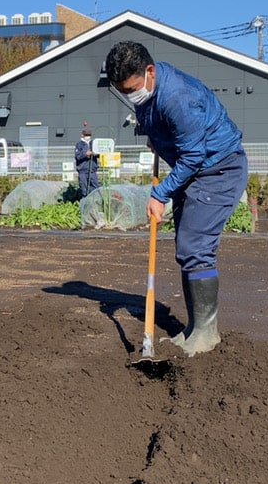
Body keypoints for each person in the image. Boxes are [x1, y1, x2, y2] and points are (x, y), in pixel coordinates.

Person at [103, 40, 248, 356]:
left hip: (217, 170)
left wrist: (160, 194)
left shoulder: (178, 97)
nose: (130, 96)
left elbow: (194, 155)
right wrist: (159, 140)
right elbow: (168, 129)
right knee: (187, 248)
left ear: (149, 72)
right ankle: (194, 328)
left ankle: (206, 334)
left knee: (196, 247)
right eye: (122, 91)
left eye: (131, 89)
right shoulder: (149, 91)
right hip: (196, 171)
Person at [74, 127, 100, 197]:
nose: (87, 136)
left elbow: (100, 154)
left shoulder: (93, 143)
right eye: (86, 135)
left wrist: (96, 154)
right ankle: (85, 204)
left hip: (92, 170)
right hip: (82, 171)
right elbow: (77, 156)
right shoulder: (79, 145)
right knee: (84, 189)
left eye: (89, 135)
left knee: (96, 187)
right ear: (82, 135)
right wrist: (85, 153)